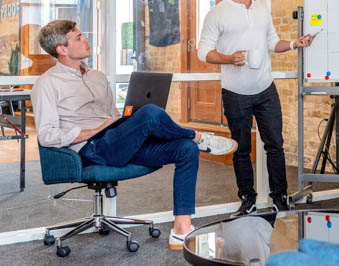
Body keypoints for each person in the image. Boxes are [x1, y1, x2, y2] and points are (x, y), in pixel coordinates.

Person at [31, 20, 237, 250]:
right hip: (92, 149)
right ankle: (197, 137)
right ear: (62, 49)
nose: (86, 39)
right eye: (79, 37)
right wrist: (93, 130)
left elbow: (113, 116)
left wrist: (124, 122)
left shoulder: (97, 77)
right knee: (150, 113)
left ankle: (181, 229)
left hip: (116, 142)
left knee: (184, 149)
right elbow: (47, 135)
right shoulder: (47, 84)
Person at [197, 0, 314, 216]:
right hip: (235, 93)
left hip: (265, 89)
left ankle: (279, 197)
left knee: (275, 144)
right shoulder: (218, 13)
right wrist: (229, 58)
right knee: (241, 147)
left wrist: (295, 43)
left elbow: (273, 43)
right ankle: (247, 198)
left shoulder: (261, 11)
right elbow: (203, 52)